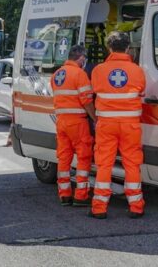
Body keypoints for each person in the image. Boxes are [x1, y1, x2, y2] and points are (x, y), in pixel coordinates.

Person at [89, 32, 146, 219]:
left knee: (104, 164)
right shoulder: (137, 70)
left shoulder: (98, 70)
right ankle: (136, 206)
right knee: (132, 164)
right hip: (130, 126)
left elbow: (95, 91)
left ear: (109, 48)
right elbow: (142, 91)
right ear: (128, 48)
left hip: (106, 125)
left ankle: (99, 208)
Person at [50, 45, 96, 207]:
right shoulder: (80, 74)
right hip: (77, 121)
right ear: (81, 58)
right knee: (83, 157)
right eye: (85, 59)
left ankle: (64, 194)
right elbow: (87, 101)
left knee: (64, 157)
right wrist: (95, 118)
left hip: (61, 121)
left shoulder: (57, 74)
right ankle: (81, 195)